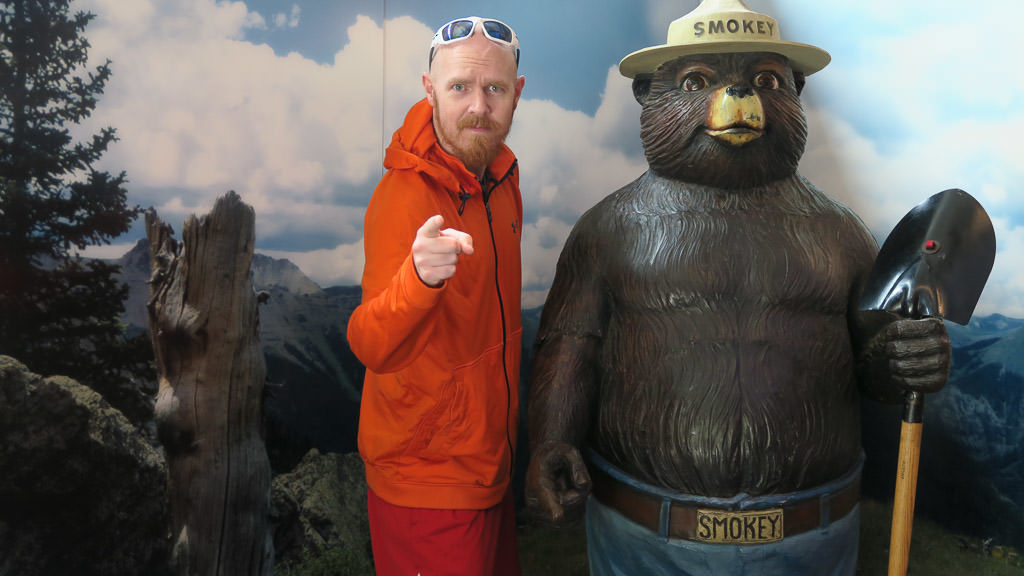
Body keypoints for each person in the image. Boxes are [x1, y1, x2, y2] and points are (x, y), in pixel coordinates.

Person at [346, 16, 526, 576]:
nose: (478, 106)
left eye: (494, 89)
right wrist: (418, 280)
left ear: (517, 92)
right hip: (425, 486)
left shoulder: (501, 173)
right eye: (459, 88)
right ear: (429, 90)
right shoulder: (402, 195)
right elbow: (370, 344)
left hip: (490, 467)